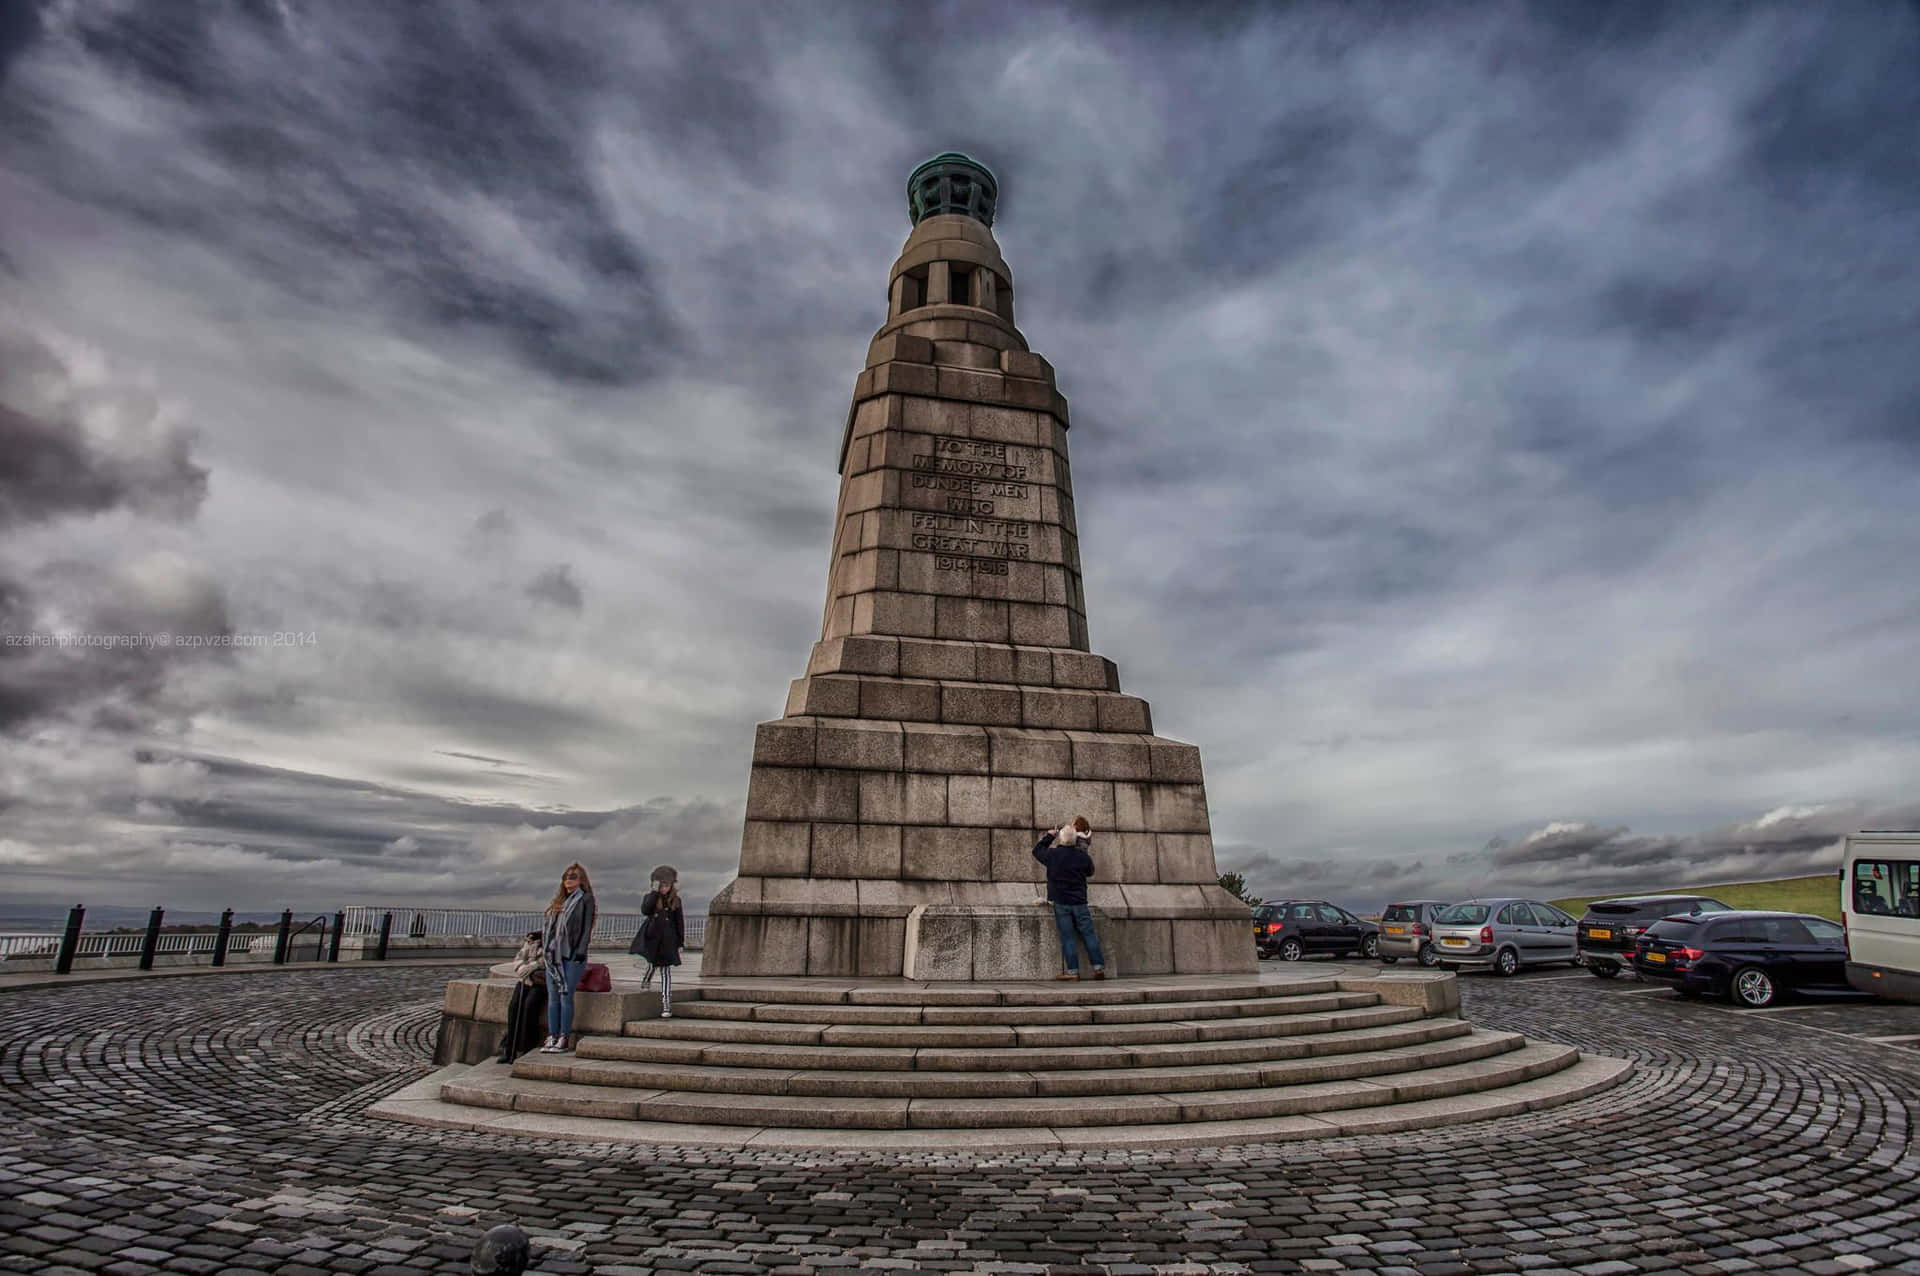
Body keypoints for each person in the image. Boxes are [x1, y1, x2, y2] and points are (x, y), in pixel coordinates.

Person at [1033, 814, 1106, 980]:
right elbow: (1090, 872)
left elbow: (1036, 851)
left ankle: (1073, 971)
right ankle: (1098, 967)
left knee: (1068, 937)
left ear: (1061, 839)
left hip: (1061, 901)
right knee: (1088, 934)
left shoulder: (1052, 855)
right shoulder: (1083, 857)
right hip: (1079, 901)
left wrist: (1050, 835)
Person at [540, 862, 597, 1053]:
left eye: (573, 877)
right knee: (552, 997)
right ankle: (552, 1035)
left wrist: (581, 950)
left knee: (566, 996)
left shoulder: (586, 899)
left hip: (572, 955)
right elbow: (552, 929)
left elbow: (586, 926)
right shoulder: (558, 902)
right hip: (552, 956)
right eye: (566, 877)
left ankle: (564, 1037)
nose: (568, 880)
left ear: (581, 880)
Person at [635, 864, 686, 1018]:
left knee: (665, 970)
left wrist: (680, 942)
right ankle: (646, 979)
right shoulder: (651, 898)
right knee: (651, 964)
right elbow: (645, 909)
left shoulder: (676, 901)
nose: (664, 888)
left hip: (668, 941)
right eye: (661, 885)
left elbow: (679, 922)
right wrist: (654, 893)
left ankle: (666, 1003)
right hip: (652, 938)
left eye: (667, 885)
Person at [497, 930, 548, 1063]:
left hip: (540, 981)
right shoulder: (530, 941)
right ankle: (509, 1050)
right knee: (514, 1007)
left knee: (529, 1006)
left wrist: (535, 965)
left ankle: (526, 1047)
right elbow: (519, 957)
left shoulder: (552, 940)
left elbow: (551, 958)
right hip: (525, 980)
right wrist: (520, 968)